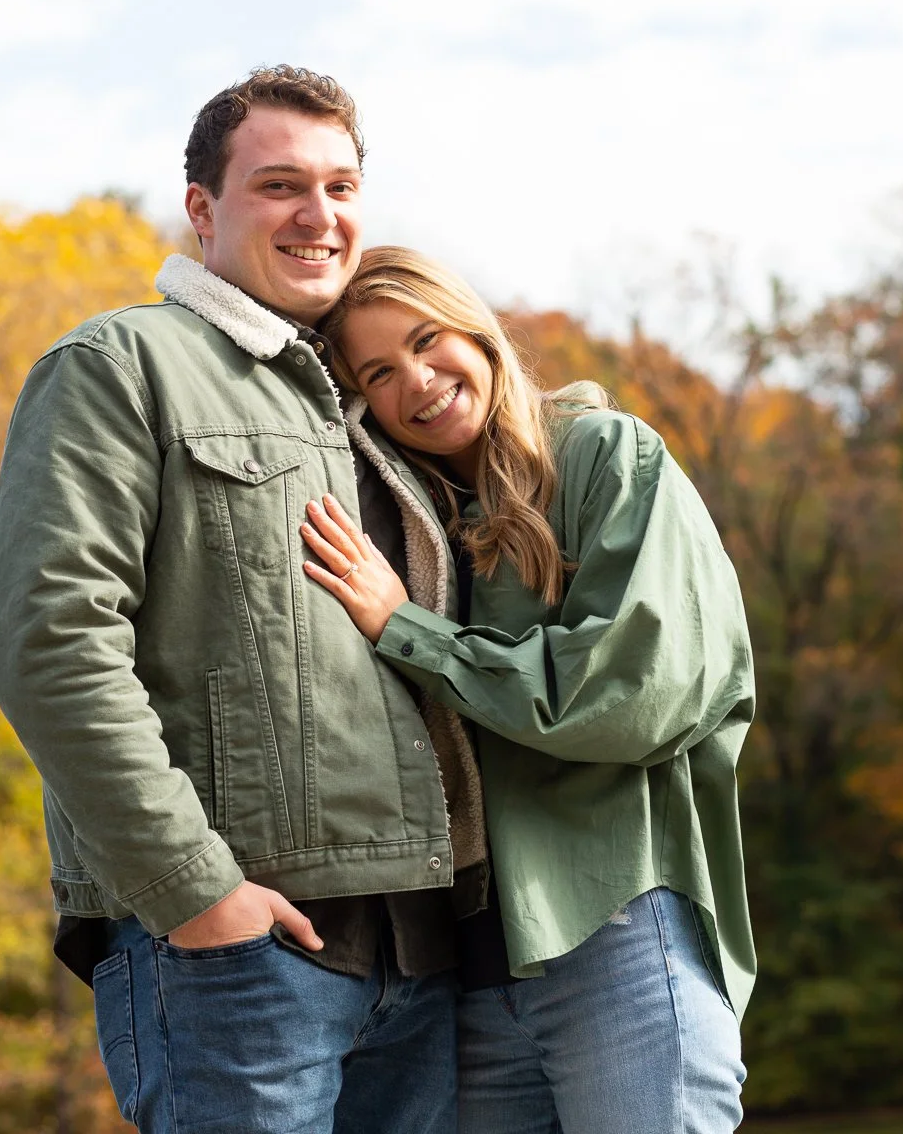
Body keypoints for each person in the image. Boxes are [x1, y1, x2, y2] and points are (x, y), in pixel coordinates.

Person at [0, 69, 487, 1133]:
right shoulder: (120, 367)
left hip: (421, 954)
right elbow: (55, 646)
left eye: (343, 187)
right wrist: (196, 893)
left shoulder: (379, 399)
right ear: (203, 211)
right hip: (238, 964)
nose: (320, 215)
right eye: (281, 186)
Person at [300, 245, 757, 1133]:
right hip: (467, 976)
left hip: (615, 928)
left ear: (476, 328)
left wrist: (408, 630)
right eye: (381, 374)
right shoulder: (415, 526)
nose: (418, 383)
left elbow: (632, 687)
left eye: (429, 341)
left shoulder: (604, 456)